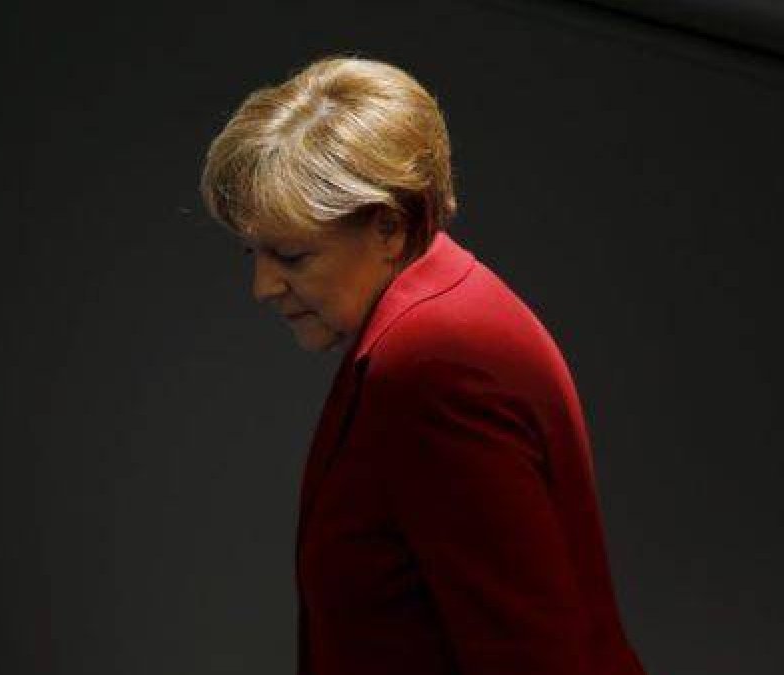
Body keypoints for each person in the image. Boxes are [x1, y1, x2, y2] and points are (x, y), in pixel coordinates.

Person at [199, 54, 647, 675]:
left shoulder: (433, 366)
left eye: (292, 256)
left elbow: (528, 656)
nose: (263, 286)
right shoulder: (448, 317)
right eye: (255, 252)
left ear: (389, 224)